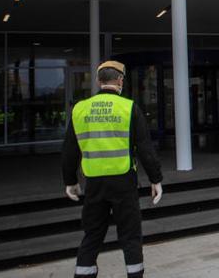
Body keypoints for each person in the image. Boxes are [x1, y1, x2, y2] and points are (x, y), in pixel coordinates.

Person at [62, 61, 163, 278]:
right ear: (120, 80)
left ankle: (83, 274)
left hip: (94, 184)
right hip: (124, 182)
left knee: (92, 234)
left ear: (99, 81)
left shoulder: (80, 109)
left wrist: (70, 181)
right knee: (130, 235)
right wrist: (156, 179)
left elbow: (70, 150)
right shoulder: (128, 108)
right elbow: (145, 149)